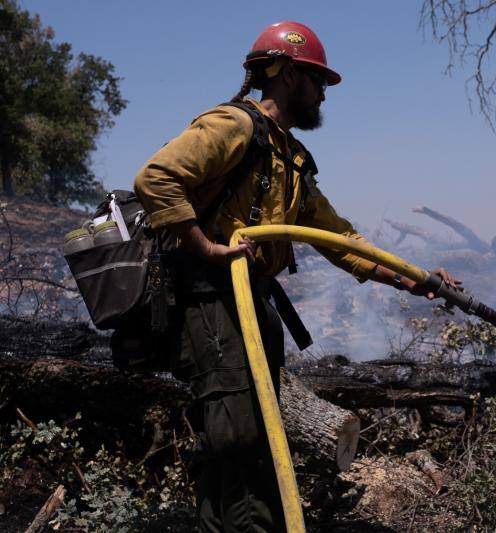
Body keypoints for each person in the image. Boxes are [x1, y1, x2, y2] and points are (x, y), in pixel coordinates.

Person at [134, 21, 459, 532]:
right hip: (212, 302)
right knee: (242, 441)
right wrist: (210, 248)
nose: (324, 93)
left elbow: (340, 239)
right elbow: (156, 178)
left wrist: (410, 277)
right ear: (286, 74)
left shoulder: (290, 157)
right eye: (317, 79)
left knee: (248, 436)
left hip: (250, 302)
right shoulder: (234, 127)